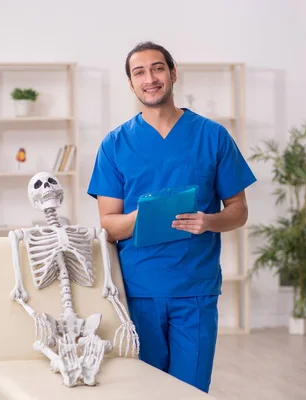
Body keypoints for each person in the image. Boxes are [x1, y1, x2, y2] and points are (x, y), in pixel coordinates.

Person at [87, 41, 256, 393]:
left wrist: (208, 221)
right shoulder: (115, 144)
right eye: (139, 72)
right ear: (131, 84)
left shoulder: (212, 136)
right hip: (138, 291)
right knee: (145, 391)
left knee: (190, 390)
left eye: (158, 68)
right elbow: (108, 224)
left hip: (194, 290)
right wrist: (144, 217)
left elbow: (238, 210)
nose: (150, 78)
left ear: (173, 73)